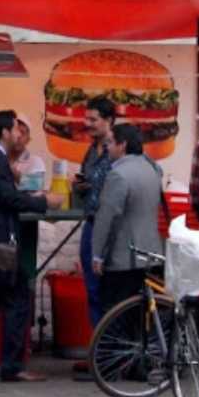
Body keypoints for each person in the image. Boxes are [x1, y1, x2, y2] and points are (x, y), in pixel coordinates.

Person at [0, 110, 63, 382]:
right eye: (16, 130)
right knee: (17, 299)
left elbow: (2, 193)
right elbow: (8, 199)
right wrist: (44, 202)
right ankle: (12, 367)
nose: (19, 135)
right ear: (5, 132)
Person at [90, 124, 163, 312]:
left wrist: (97, 254)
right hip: (150, 256)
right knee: (140, 319)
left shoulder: (118, 175)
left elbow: (107, 217)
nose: (107, 148)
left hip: (123, 258)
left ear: (122, 145)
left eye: (110, 143)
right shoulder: (152, 170)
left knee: (116, 319)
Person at [75, 96, 117, 327]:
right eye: (86, 119)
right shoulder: (91, 151)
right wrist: (80, 187)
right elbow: (90, 184)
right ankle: (98, 352)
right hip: (91, 224)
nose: (88, 123)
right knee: (92, 289)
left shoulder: (119, 149)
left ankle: (113, 352)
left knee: (112, 291)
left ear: (109, 120)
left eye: (93, 119)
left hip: (112, 228)